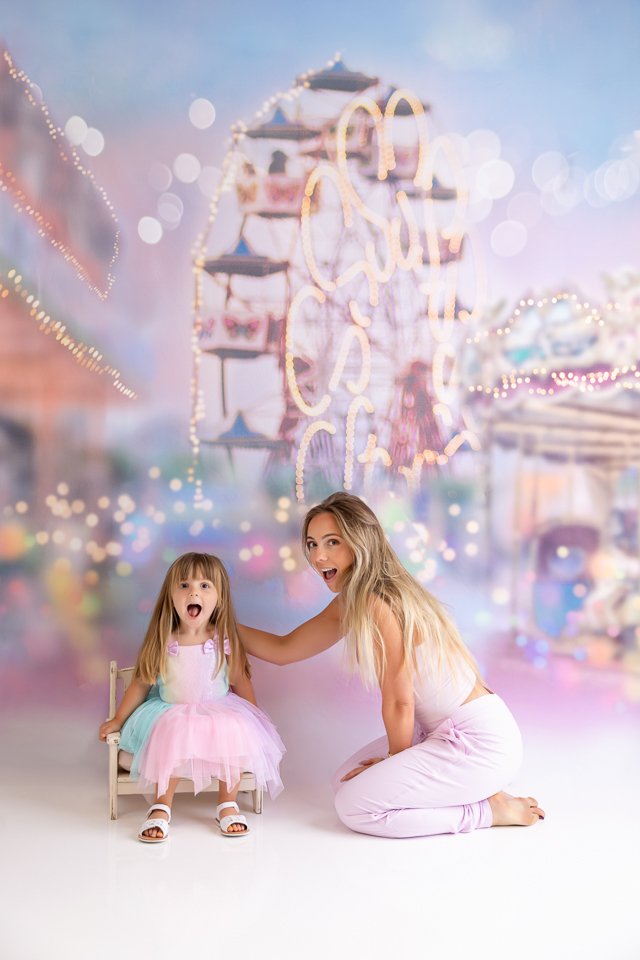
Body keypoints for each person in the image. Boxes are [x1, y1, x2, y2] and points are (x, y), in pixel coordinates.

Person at [239, 492, 544, 839]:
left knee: (355, 807)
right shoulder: (352, 601)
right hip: (437, 733)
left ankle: (487, 810)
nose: (317, 556)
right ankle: (479, 790)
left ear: (360, 543)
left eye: (332, 542)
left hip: (480, 742)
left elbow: (400, 701)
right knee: (344, 781)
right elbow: (284, 649)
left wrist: (396, 761)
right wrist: (216, 622)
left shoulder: (379, 600)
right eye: (311, 544)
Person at [99, 552, 285, 842]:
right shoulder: (163, 640)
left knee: (233, 729)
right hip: (171, 710)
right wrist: (118, 719)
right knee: (173, 733)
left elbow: (239, 680)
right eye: (184, 585)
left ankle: (227, 803)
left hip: (218, 710)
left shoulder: (224, 639)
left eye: (205, 586)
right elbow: (139, 683)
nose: (194, 592)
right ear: (170, 596)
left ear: (220, 597)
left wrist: (254, 718)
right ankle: (161, 805)